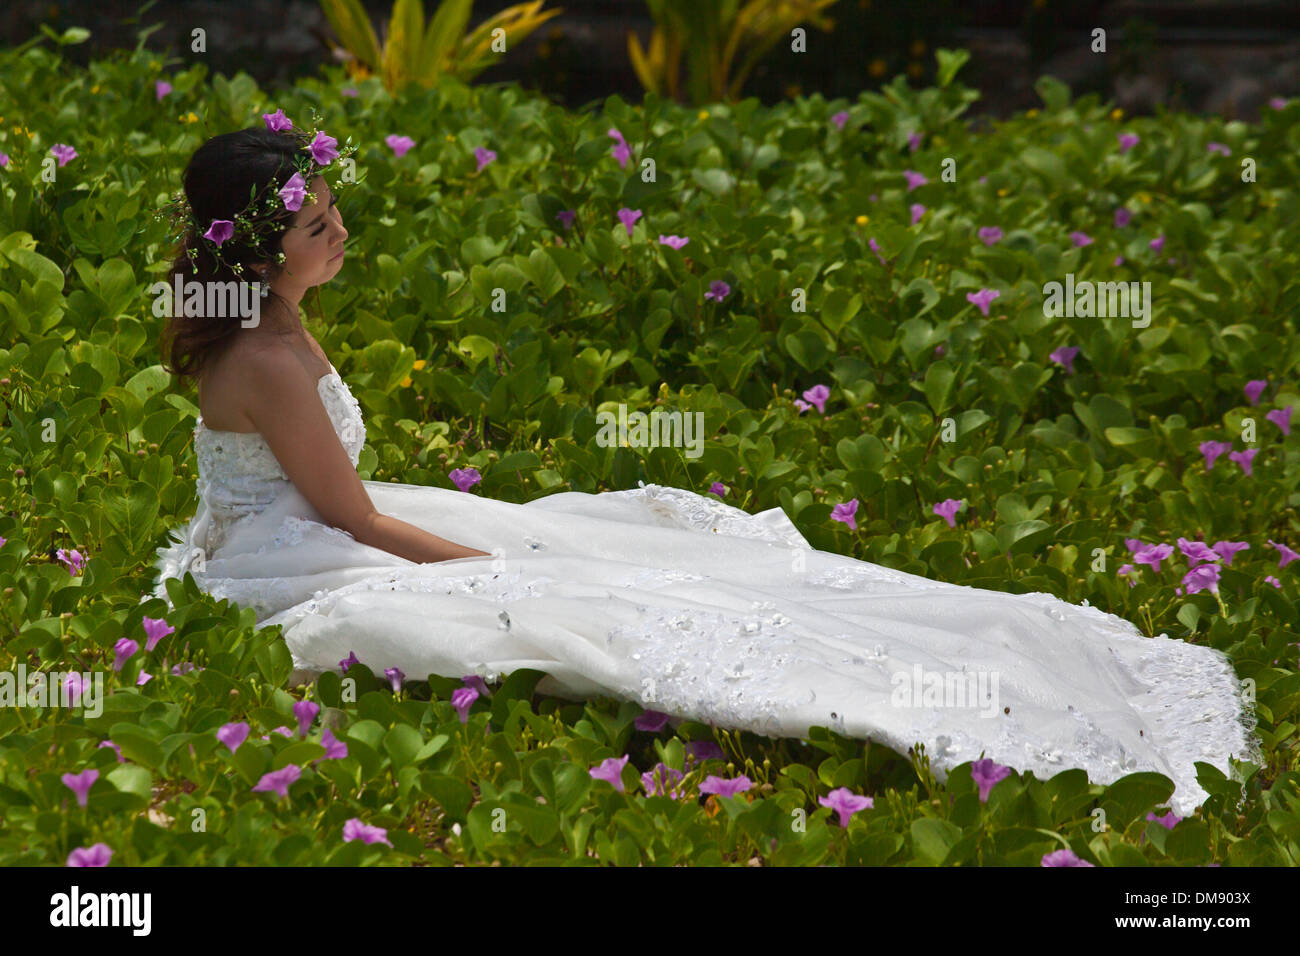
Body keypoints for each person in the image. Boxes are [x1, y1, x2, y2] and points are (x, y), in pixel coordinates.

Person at [150, 125, 1258, 815]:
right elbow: (354, 515)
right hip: (303, 552)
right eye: (318, 225)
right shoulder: (264, 352)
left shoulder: (279, 314)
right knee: (568, 595)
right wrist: (487, 563)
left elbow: (346, 488)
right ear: (254, 249)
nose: (342, 234)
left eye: (337, 212)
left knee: (627, 562)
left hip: (334, 516)